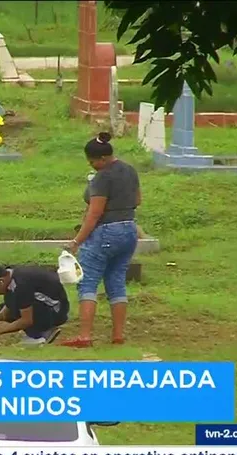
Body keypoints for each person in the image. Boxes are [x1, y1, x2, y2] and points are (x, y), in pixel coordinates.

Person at [60, 132, 141, 348]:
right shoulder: (129, 170)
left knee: (88, 282)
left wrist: (76, 241)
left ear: (103, 159)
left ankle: (85, 336)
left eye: (93, 161)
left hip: (106, 232)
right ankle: (118, 335)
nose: (92, 165)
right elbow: (137, 200)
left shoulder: (103, 177)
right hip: (129, 230)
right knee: (116, 282)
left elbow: (94, 214)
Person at [0, 262, 69, 345]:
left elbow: (26, 320)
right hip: (46, 305)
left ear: (1, 281)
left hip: (56, 311)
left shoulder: (21, 285)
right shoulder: (12, 277)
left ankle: (39, 336)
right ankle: (41, 331)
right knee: (4, 307)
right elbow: (7, 308)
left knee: (17, 310)